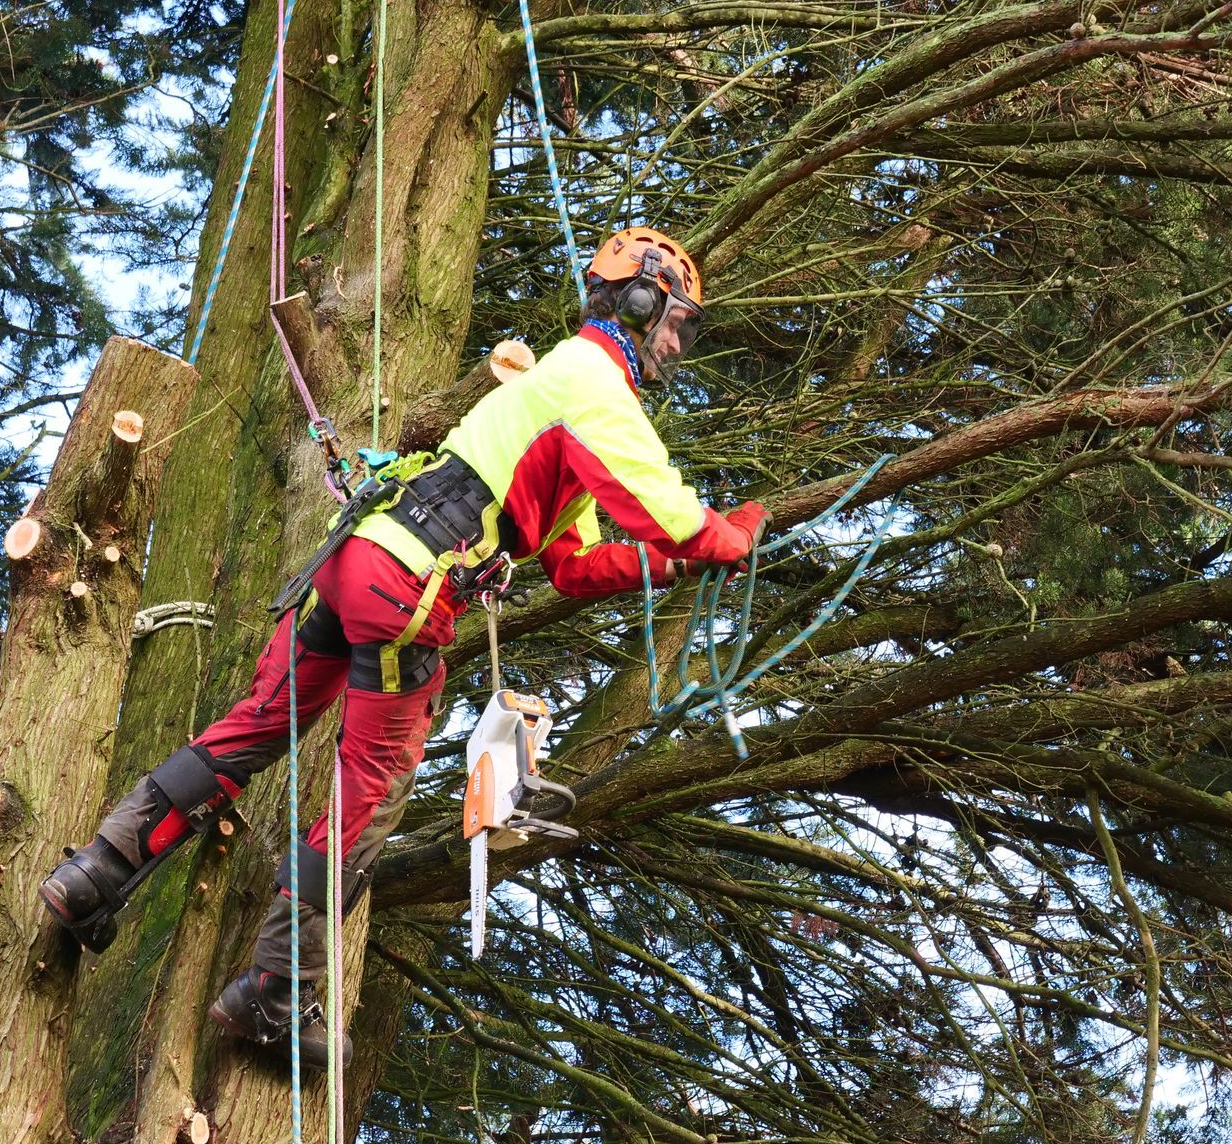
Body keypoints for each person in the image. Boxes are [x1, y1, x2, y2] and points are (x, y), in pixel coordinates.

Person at [38, 226, 769, 1068]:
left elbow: (573, 564)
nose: (677, 342)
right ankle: (276, 992)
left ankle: (94, 872)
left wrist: (662, 565)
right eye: (675, 320)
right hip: (406, 594)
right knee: (368, 794)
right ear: (640, 304)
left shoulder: (562, 394)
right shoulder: (592, 378)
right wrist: (725, 536)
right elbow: (674, 511)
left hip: (360, 565)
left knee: (258, 724)